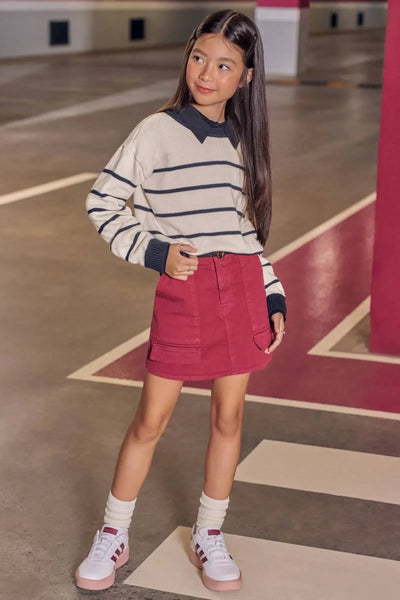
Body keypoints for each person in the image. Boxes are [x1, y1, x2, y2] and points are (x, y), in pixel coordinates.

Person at [75, 9, 286, 593]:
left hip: (241, 290)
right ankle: (113, 533)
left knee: (229, 418)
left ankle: (209, 534)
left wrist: (273, 294)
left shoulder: (243, 142)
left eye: (224, 66)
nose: (206, 74)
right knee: (151, 419)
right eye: (199, 58)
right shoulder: (155, 131)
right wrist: (155, 252)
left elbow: (245, 235)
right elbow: (102, 203)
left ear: (246, 76)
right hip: (185, 291)